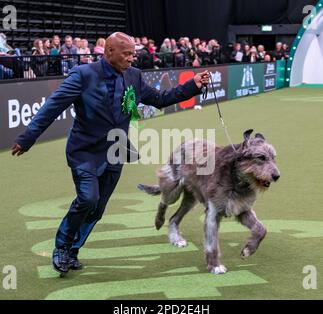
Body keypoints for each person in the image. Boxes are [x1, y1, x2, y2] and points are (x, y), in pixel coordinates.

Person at [11, 32, 210, 275]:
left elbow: (160, 99)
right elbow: (53, 106)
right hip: (85, 152)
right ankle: (61, 247)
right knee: (87, 199)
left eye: (133, 53)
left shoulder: (134, 76)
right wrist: (28, 137)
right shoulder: (83, 75)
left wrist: (193, 85)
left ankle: (73, 251)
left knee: (97, 209)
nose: (131, 58)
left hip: (116, 152)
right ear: (108, 52)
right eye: (126, 54)